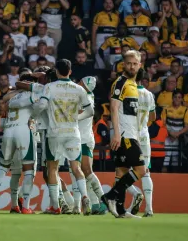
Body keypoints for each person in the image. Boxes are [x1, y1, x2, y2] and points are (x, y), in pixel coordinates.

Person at [31, 59, 95, 215]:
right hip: (73, 132)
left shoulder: (49, 87)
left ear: (57, 71)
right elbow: (90, 111)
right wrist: (75, 119)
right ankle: (85, 197)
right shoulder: (78, 89)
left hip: (55, 133)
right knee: (76, 168)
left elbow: (42, 105)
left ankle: (55, 205)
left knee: (52, 168)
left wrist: (33, 116)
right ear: (70, 71)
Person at [101, 50, 145, 219]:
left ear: (139, 65)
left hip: (131, 132)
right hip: (124, 134)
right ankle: (110, 196)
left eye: (135, 63)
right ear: (123, 64)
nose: (132, 66)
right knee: (141, 169)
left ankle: (120, 211)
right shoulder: (121, 82)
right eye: (129, 63)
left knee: (121, 172)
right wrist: (117, 135)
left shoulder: (133, 84)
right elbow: (113, 107)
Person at [0, 74, 37, 214]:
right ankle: (25, 206)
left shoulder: (11, 96)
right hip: (23, 132)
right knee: (29, 171)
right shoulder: (33, 93)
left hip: (8, 132)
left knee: (4, 167)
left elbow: (4, 101)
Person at [76, 76, 106, 215]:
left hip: (83, 139)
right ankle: (95, 204)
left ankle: (103, 200)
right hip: (82, 137)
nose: (78, 83)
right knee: (85, 173)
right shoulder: (88, 95)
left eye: (80, 82)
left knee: (86, 171)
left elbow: (79, 114)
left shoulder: (85, 97)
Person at [134, 68, 155, 217]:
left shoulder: (128, 92)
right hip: (144, 136)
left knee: (122, 170)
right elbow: (153, 116)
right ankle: (149, 208)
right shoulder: (149, 94)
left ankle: (134, 195)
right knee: (145, 171)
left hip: (130, 136)